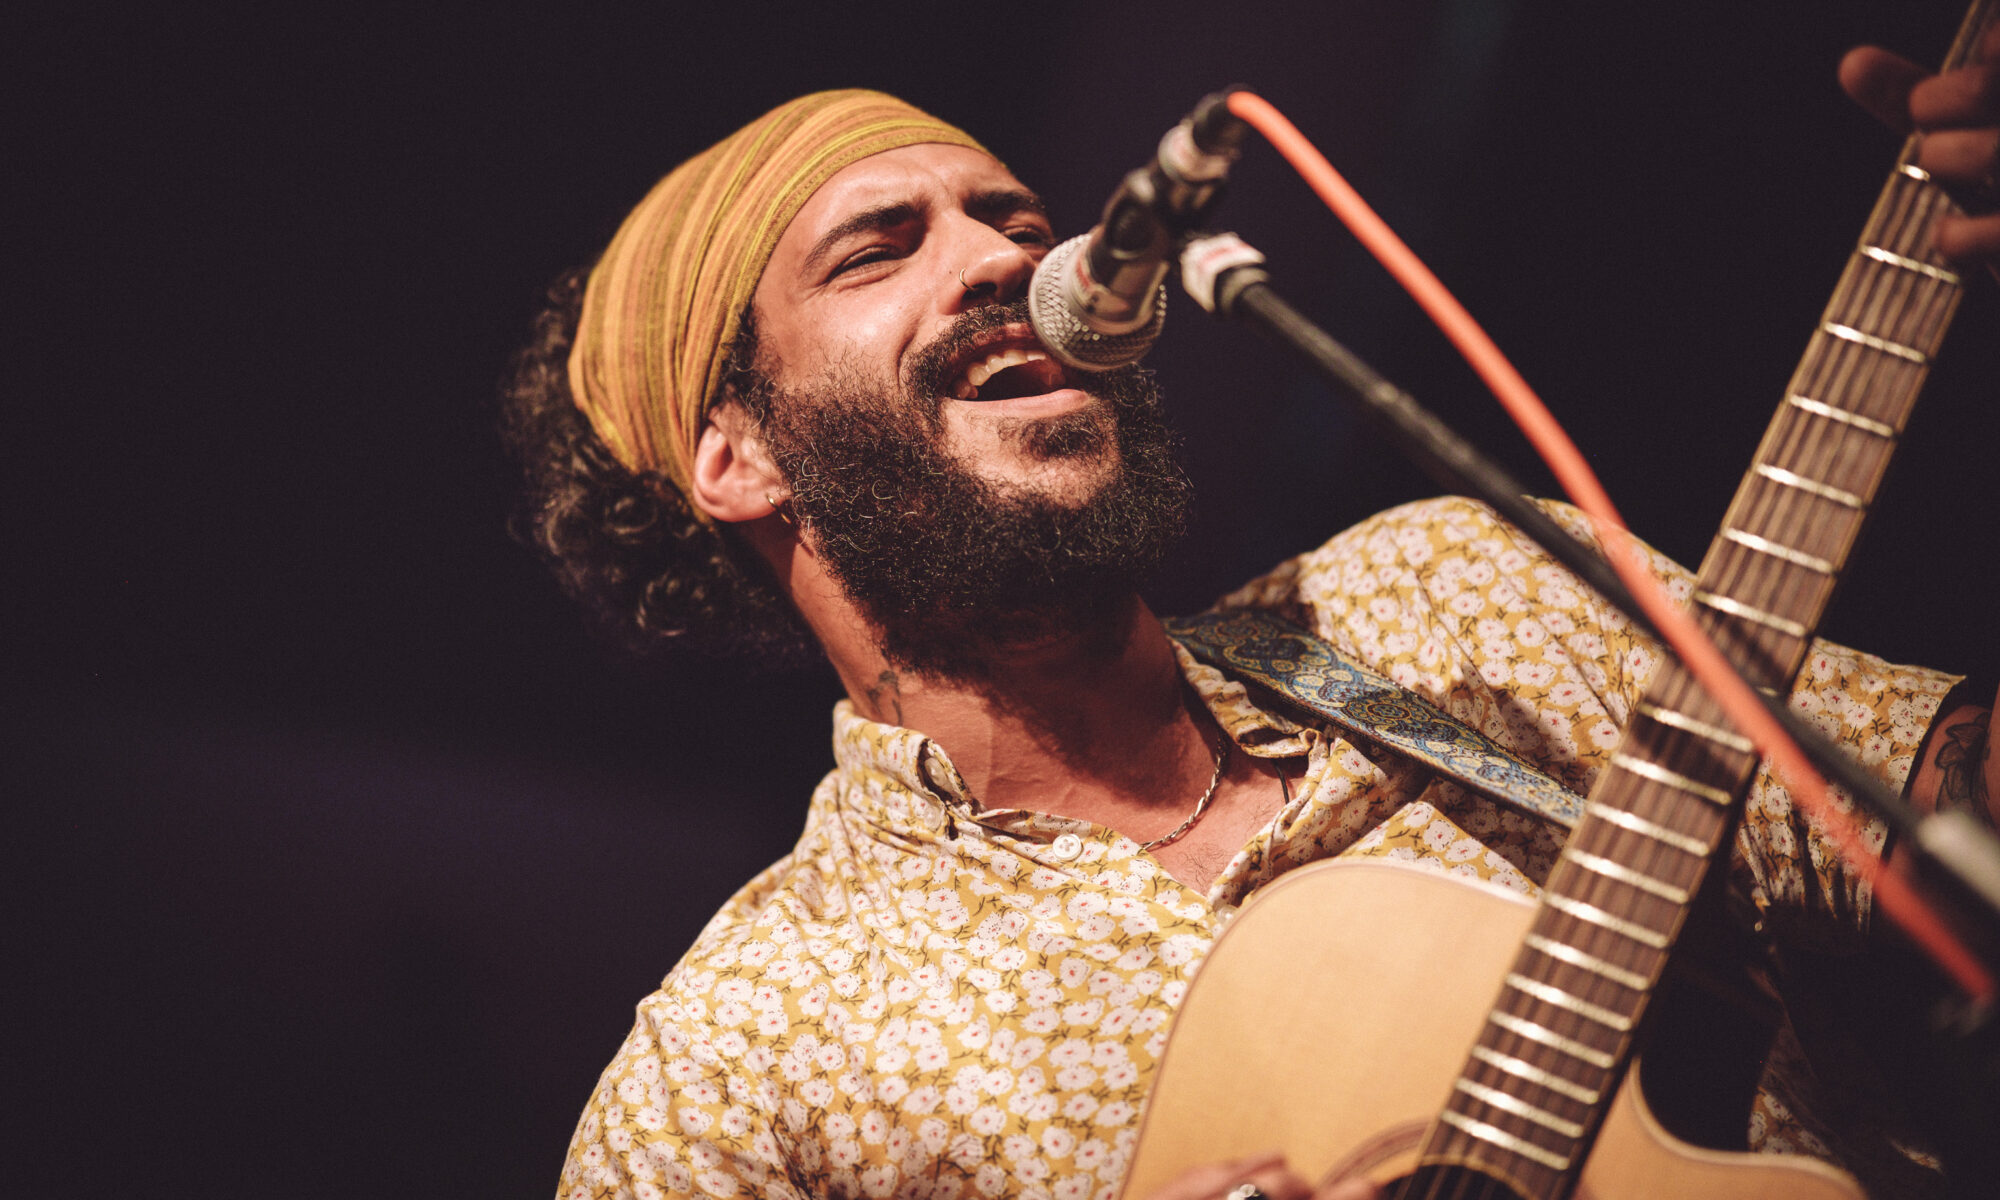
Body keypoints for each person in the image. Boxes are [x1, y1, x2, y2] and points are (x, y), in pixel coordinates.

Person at [505, 28, 2000, 1200]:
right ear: (737, 455)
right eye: (879, 248)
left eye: (1013, 220)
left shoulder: (1454, 594)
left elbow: (1949, 803)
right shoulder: (733, 1067)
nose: (1010, 262)